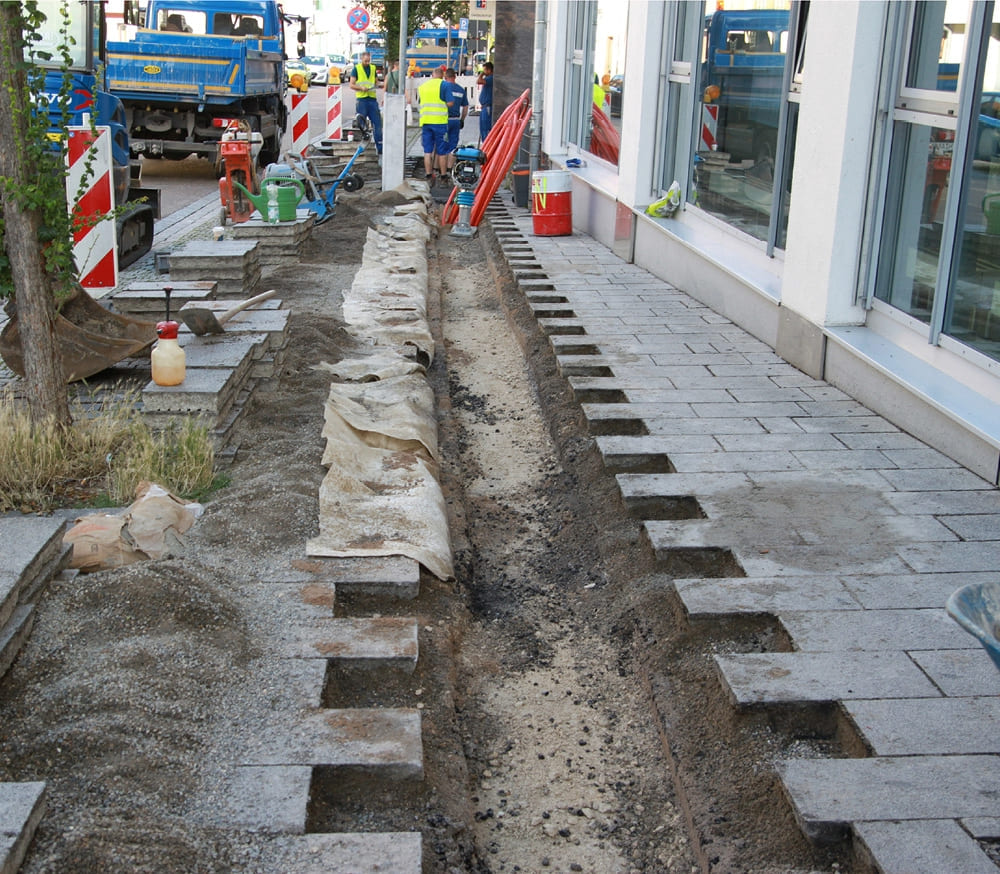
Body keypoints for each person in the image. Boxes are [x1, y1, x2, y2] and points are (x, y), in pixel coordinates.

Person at [417, 66, 453, 184]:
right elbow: (450, 103)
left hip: (426, 122)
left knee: (427, 151)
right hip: (440, 122)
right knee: (441, 151)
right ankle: (443, 177)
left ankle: (428, 176)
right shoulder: (445, 85)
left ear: (432, 75)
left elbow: (420, 103)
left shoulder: (423, 87)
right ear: (442, 76)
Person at [348, 52, 383, 158]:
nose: (367, 63)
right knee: (362, 125)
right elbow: (351, 84)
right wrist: (361, 88)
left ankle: (380, 149)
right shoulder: (356, 69)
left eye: (369, 61)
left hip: (372, 99)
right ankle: (362, 148)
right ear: (362, 59)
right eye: (365, 61)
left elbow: (376, 82)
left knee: (377, 124)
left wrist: (382, 85)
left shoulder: (373, 68)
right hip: (362, 99)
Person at [442, 68, 469, 172]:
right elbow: (465, 107)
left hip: (444, 120)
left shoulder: (443, 88)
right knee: (453, 146)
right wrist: (462, 119)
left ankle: (442, 172)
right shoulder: (461, 90)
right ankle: (449, 170)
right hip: (455, 120)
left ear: (445, 77)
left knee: (442, 146)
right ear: (455, 77)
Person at [477, 61, 494, 142]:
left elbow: (479, 81)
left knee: (485, 127)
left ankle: (486, 144)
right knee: (483, 127)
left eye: (485, 70)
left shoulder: (490, 78)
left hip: (487, 106)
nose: (484, 72)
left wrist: (482, 74)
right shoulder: (489, 78)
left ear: (489, 70)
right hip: (484, 106)